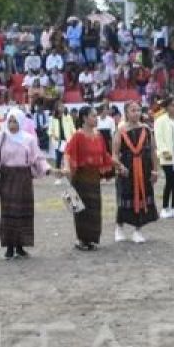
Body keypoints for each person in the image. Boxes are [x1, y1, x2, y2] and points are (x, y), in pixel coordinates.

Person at [0, 109, 50, 259]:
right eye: (10, 121)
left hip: (24, 179)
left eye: (15, 121)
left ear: (21, 122)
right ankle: (9, 247)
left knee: (24, 212)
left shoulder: (29, 139)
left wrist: (47, 169)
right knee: (8, 213)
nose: (12, 124)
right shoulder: (0, 137)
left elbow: (37, 157)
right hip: (7, 179)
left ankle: (20, 246)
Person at [63, 105, 114, 250]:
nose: (96, 118)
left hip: (94, 178)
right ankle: (81, 240)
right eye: (93, 116)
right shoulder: (78, 136)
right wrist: (67, 168)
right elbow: (68, 153)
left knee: (94, 210)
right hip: (80, 178)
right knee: (81, 210)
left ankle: (91, 239)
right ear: (84, 118)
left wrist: (118, 165)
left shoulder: (98, 136)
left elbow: (105, 156)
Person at [111, 100, 159, 244]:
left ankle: (138, 230)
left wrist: (155, 171)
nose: (136, 113)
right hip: (126, 170)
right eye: (133, 110)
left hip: (144, 169)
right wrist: (120, 167)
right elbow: (114, 154)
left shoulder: (146, 130)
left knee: (142, 198)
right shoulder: (120, 131)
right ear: (126, 112)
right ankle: (119, 227)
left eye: (138, 110)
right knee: (124, 198)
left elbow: (153, 152)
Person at [154, 96, 174, 218]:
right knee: (170, 181)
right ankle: (165, 207)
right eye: (172, 105)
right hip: (167, 155)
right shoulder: (160, 120)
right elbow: (158, 138)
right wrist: (164, 151)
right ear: (166, 107)